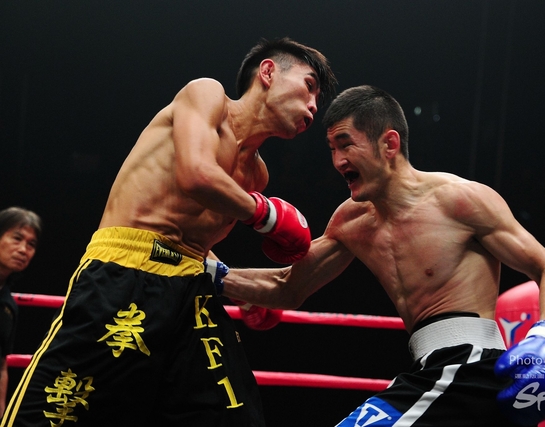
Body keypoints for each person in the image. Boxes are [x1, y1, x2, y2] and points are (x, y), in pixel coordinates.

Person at [1, 37, 337, 427]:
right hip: (125, 273)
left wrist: (237, 287)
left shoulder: (256, 175)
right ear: (267, 72)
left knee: (233, 416)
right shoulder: (206, 96)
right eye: (309, 86)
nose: (314, 105)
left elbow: (194, 244)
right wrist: (266, 216)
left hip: (190, 288)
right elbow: (196, 175)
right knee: (56, 411)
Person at [221, 85, 545, 426]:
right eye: (331, 149)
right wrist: (208, 272)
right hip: (432, 370)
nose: (338, 161)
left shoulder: (458, 200)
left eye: (346, 144)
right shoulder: (352, 221)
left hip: (471, 368)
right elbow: (287, 287)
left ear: (389, 143)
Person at [0, 207, 42, 418]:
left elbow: (1, 364)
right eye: (17, 239)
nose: (24, 249)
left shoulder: (8, 305)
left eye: (31, 244)